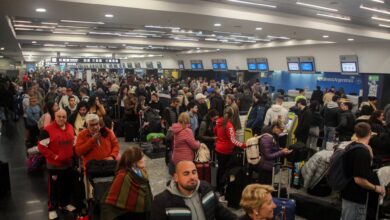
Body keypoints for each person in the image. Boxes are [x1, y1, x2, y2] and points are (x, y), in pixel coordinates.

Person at [150, 160, 237, 220]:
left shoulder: (206, 188)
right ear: (176, 177)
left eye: (194, 172)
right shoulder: (161, 202)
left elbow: (218, 210)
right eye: (186, 173)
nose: (192, 177)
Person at [341, 122, 385, 220]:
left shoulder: (352, 146)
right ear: (370, 133)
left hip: (347, 193)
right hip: (356, 198)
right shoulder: (362, 153)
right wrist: (375, 188)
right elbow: (359, 180)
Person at [37, 109, 76, 219]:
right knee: (54, 188)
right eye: (59, 116)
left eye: (63, 117)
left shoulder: (70, 127)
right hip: (54, 165)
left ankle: (64, 204)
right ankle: (52, 208)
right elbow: (41, 147)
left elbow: (73, 141)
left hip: (68, 164)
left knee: (66, 185)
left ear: (66, 118)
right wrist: (54, 156)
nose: (61, 119)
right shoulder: (48, 130)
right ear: (55, 117)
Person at [75, 114, 120, 199]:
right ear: (87, 125)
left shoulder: (107, 131)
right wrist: (92, 141)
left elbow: (116, 145)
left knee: (110, 194)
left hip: (108, 168)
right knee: (93, 196)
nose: (95, 127)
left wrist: (112, 156)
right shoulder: (82, 135)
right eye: (92, 125)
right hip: (92, 171)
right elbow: (78, 152)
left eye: (97, 124)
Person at [101, 147, 153, 220]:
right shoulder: (123, 176)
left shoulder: (142, 172)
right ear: (134, 161)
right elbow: (109, 202)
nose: (145, 159)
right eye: (142, 157)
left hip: (141, 215)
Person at [214, 107, 246, 196]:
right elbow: (233, 140)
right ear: (232, 116)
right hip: (226, 151)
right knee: (226, 170)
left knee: (220, 169)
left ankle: (218, 187)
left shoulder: (218, 122)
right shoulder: (229, 126)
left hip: (218, 149)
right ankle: (222, 189)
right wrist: (244, 145)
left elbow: (215, 132)